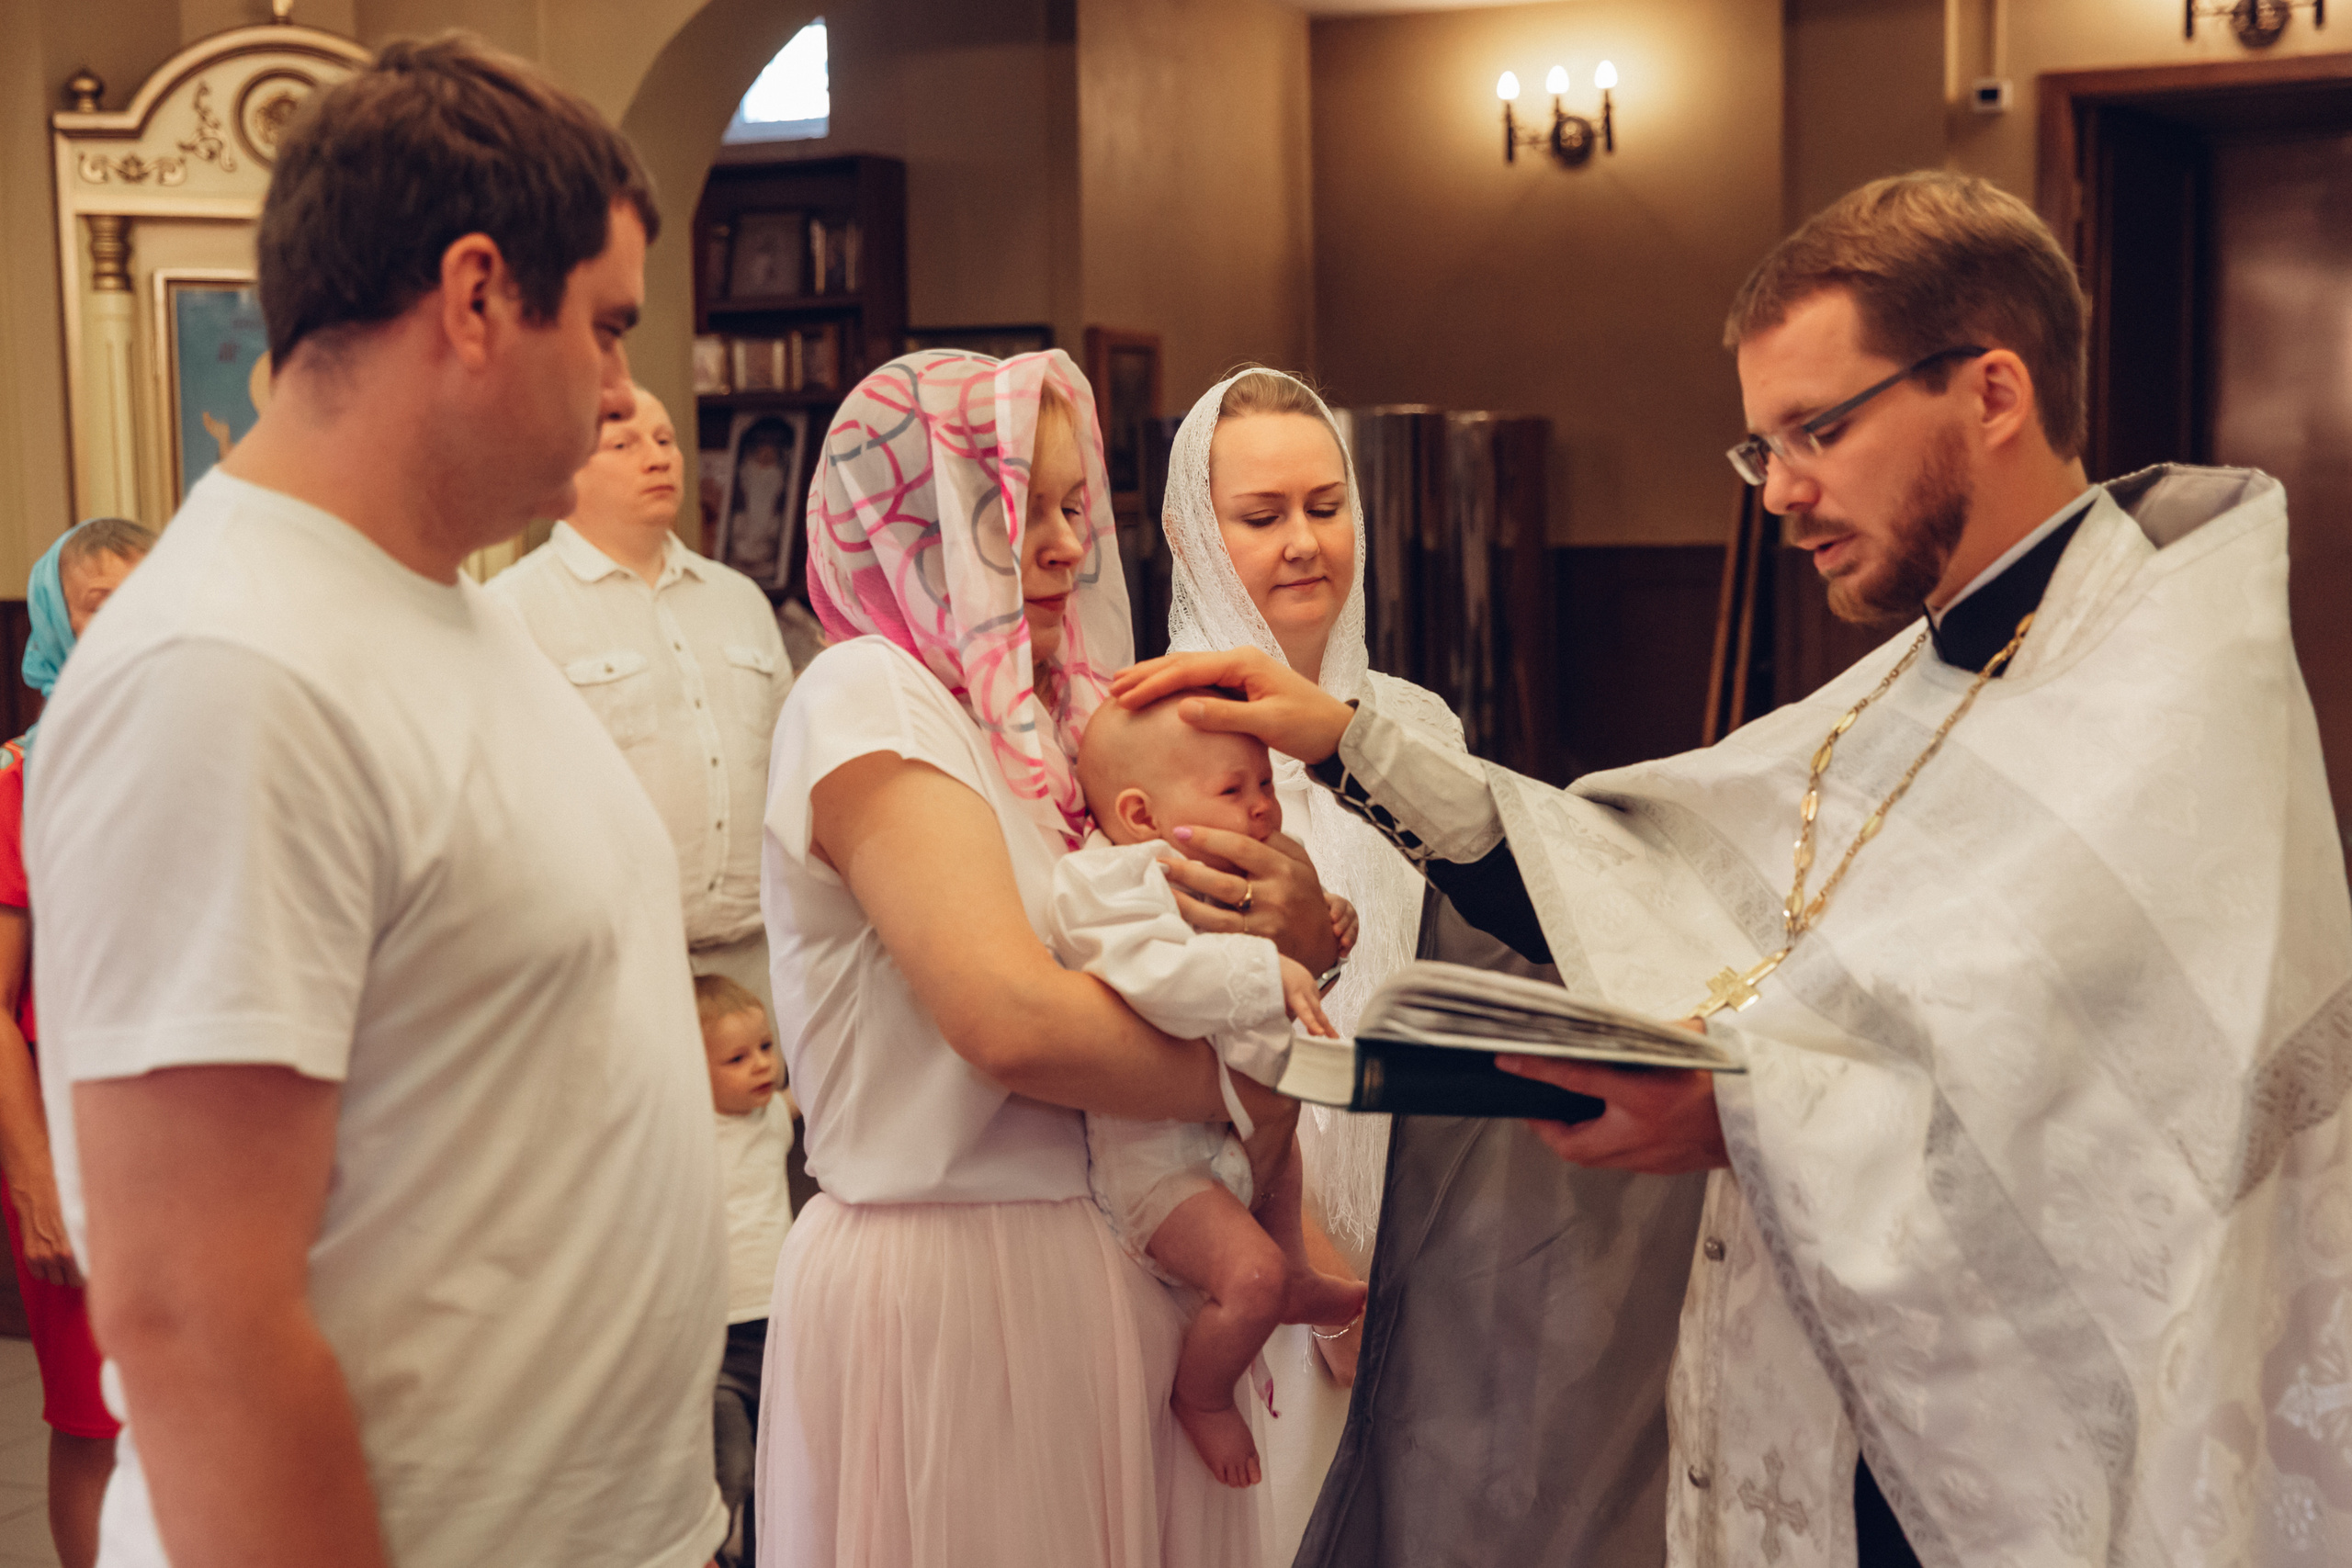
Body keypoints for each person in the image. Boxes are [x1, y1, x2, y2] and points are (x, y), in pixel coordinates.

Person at [1118, 170, 2352, 1566]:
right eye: (1760, 448)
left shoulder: (2166, 678)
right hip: (1857, 1418)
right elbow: (1667, 893)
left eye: (1816, 430)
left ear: (1992, 392)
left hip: (2058, 1444)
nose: (1785, 494)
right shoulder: (1927, 671)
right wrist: (1346, 742)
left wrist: (1731, 1119)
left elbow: (2081, 1085)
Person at [26, 36, 729, 1568]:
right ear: (477, 296)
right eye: (605, 329)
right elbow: (194, 1314)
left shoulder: (442, 608)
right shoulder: (228, 666)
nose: (622, 391)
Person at [755, 347, 1338, 1568]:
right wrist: (1255, 1070)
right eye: (1014, 508)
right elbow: (1006, 1018)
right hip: (961, 1285)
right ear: (900, 512)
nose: (1067, 545)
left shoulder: (1060, 718)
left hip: (1109, 1262)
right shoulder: (871, 692)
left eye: (1077, 507)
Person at [1154, 366, 1702, 1565]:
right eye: (1262, 516)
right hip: (1237, 1229)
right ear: (1197, 531)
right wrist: (1306, 1245)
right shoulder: (1155, 733)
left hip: (1410, 1194)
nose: (1305, 542)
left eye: (1326, 502)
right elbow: (1166, 1027)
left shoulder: (1413, 719)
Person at [1061, 693, 1364, 1488]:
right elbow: (1160, 979)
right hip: (1161, 1168)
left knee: (1289, 1161)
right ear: (1138, 812)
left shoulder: (1234, 867)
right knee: (1249, 1281)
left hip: (1230, 1136)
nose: (1263, 804)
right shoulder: (1108, 884)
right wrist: (1268, 965)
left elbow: (1285, 944)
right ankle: (1202, 1394)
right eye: (1235, 791)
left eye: (1265, 782)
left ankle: (1294, 1269)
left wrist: (1323, 919)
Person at [491, 383, 796, 1017]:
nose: (657, 458)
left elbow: (794, 776)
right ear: (562, 466)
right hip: (612, 975)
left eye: (665, 441)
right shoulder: (511, 610)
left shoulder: (740, 600)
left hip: (762, 970)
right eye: (624, 444)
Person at [0, 517, 152, 1568]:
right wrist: (35, 1178)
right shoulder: (15, 781)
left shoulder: (200, 760)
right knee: (93, 1417)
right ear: (57, 623)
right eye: (102, 604)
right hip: (73, 1133)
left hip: (197, 1133)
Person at [695, 974, 794, 1568]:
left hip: (782, 1327)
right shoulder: (693, 1132)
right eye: (736, 1057)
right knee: (730, 1469)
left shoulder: (774, 1119)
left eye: (765, 1046)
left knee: (771, 1473)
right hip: (720, 1338)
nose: (761, 1064)